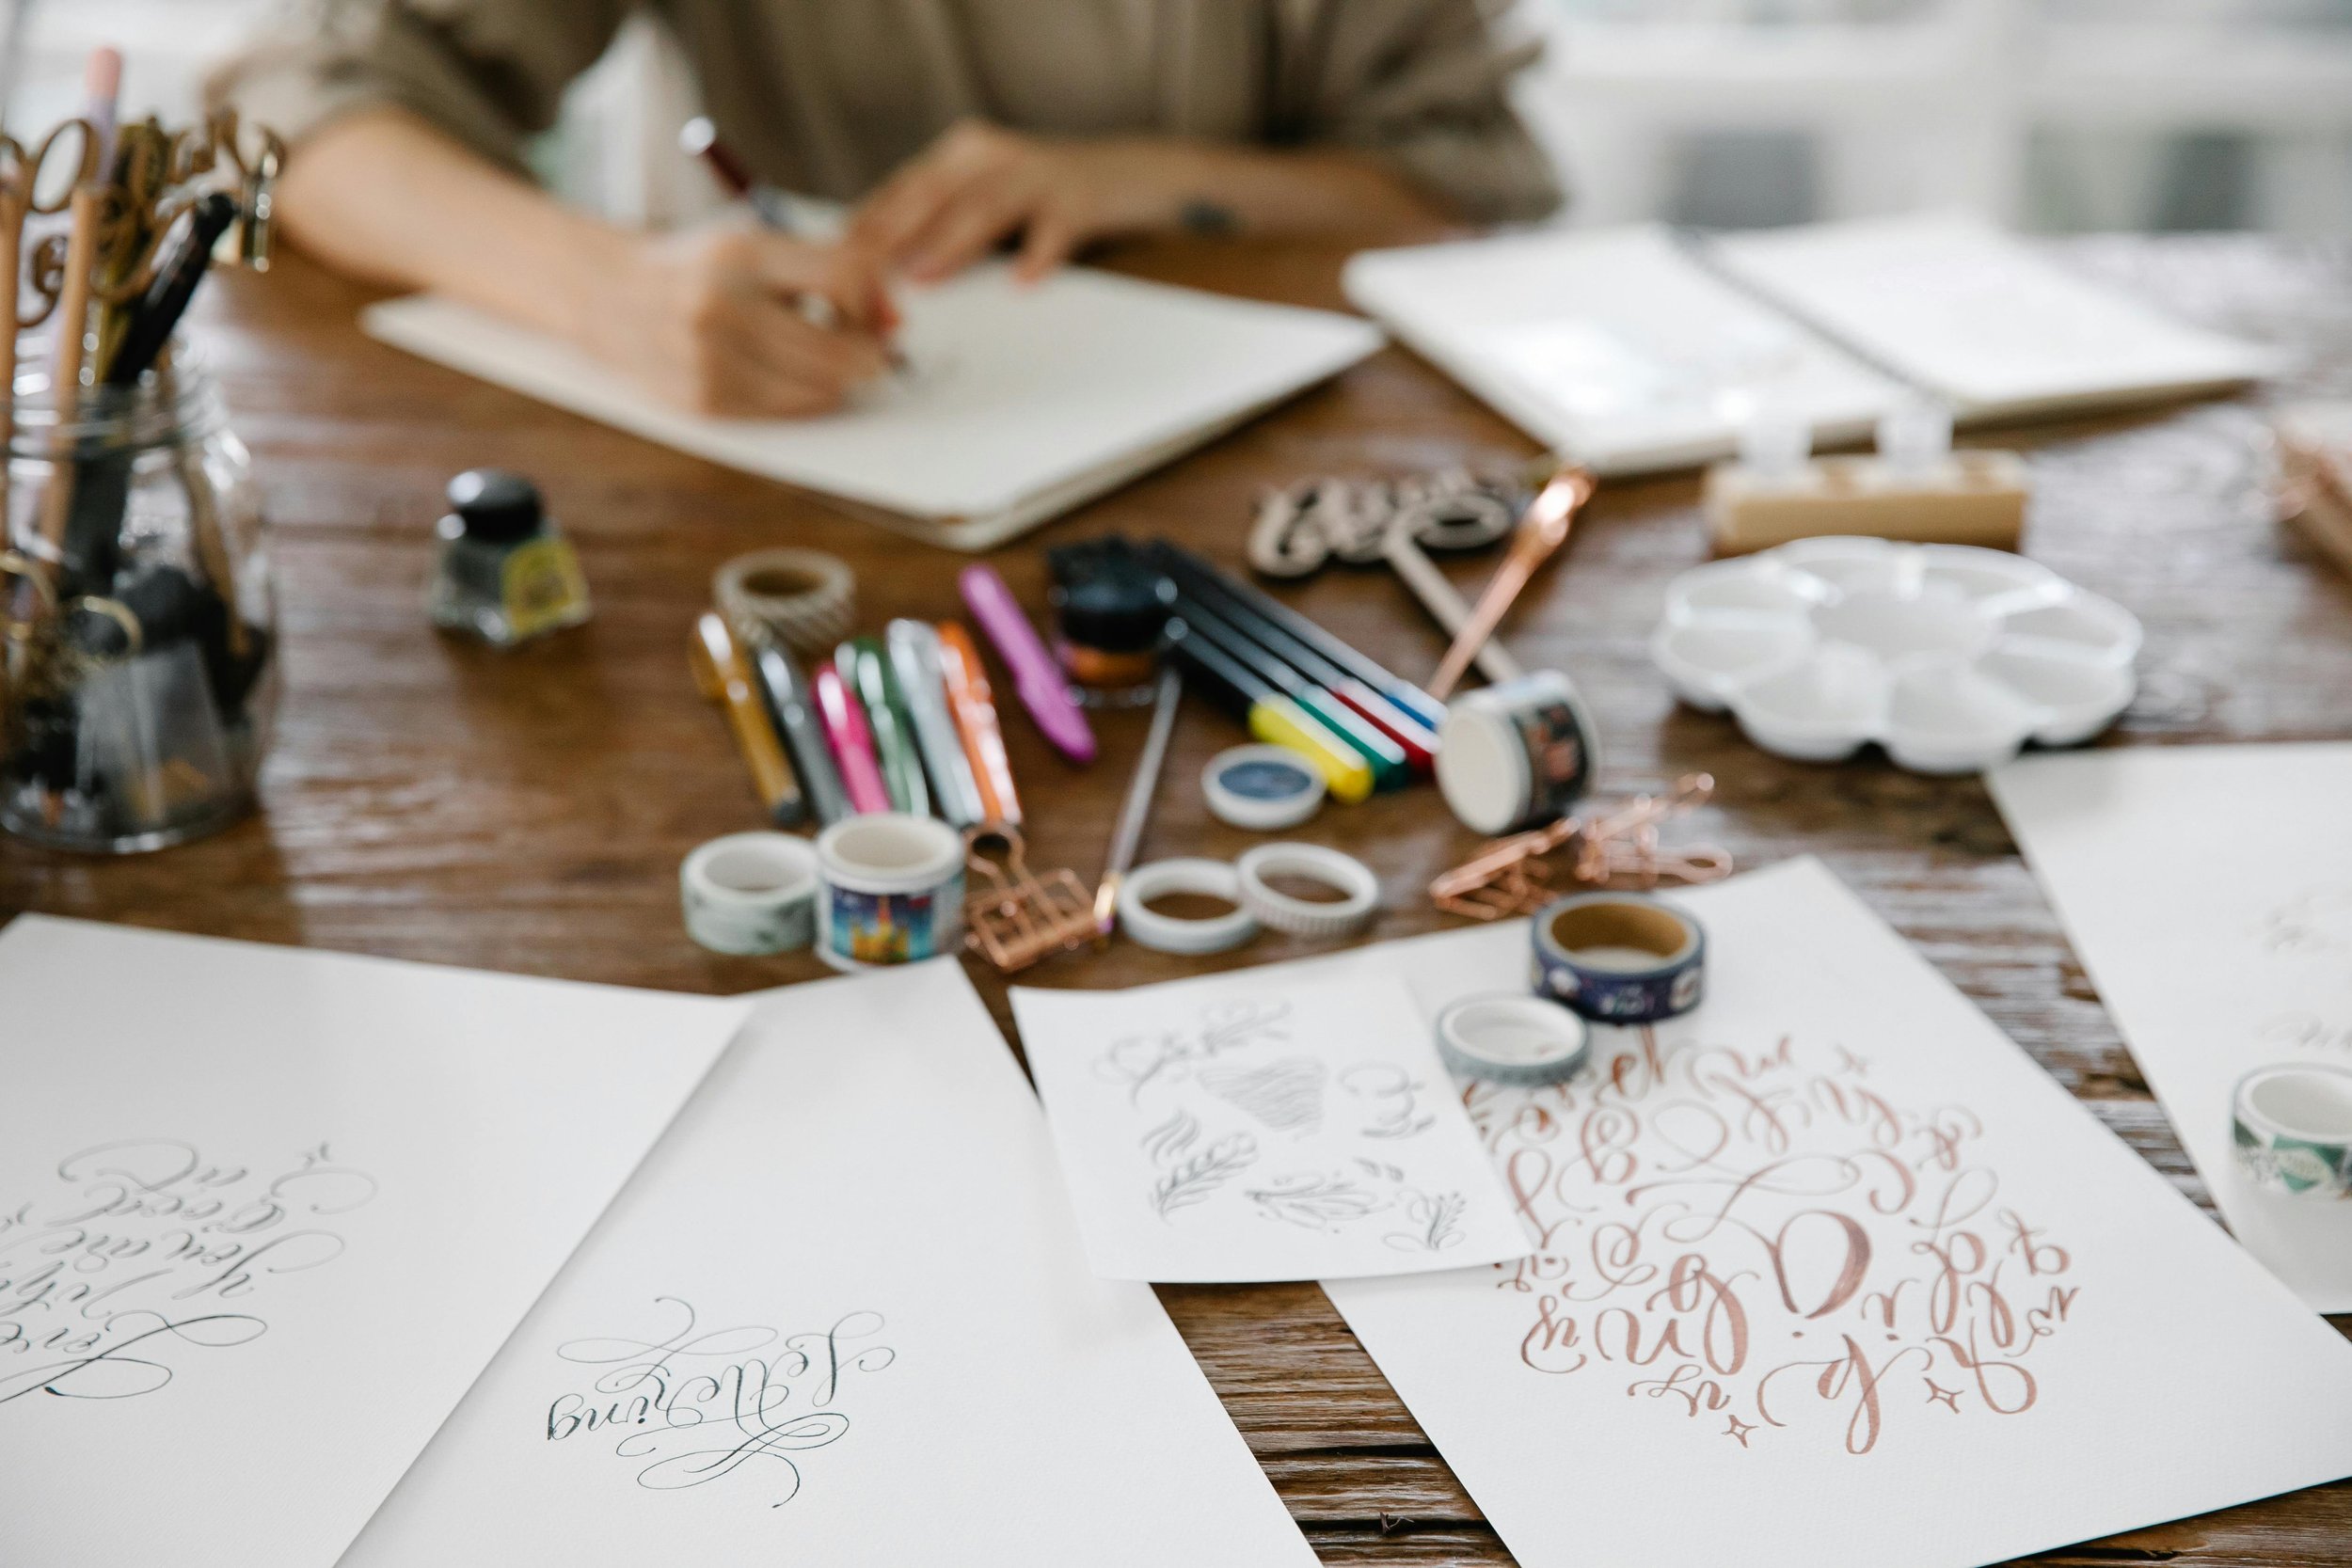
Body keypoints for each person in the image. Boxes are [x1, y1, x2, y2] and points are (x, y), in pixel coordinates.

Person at [211, 1, 1559, 419]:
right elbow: (288, 123)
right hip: (799, 455)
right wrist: (604, 287)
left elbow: (1462, 195)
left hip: (1272, 464)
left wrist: (1147, 179)